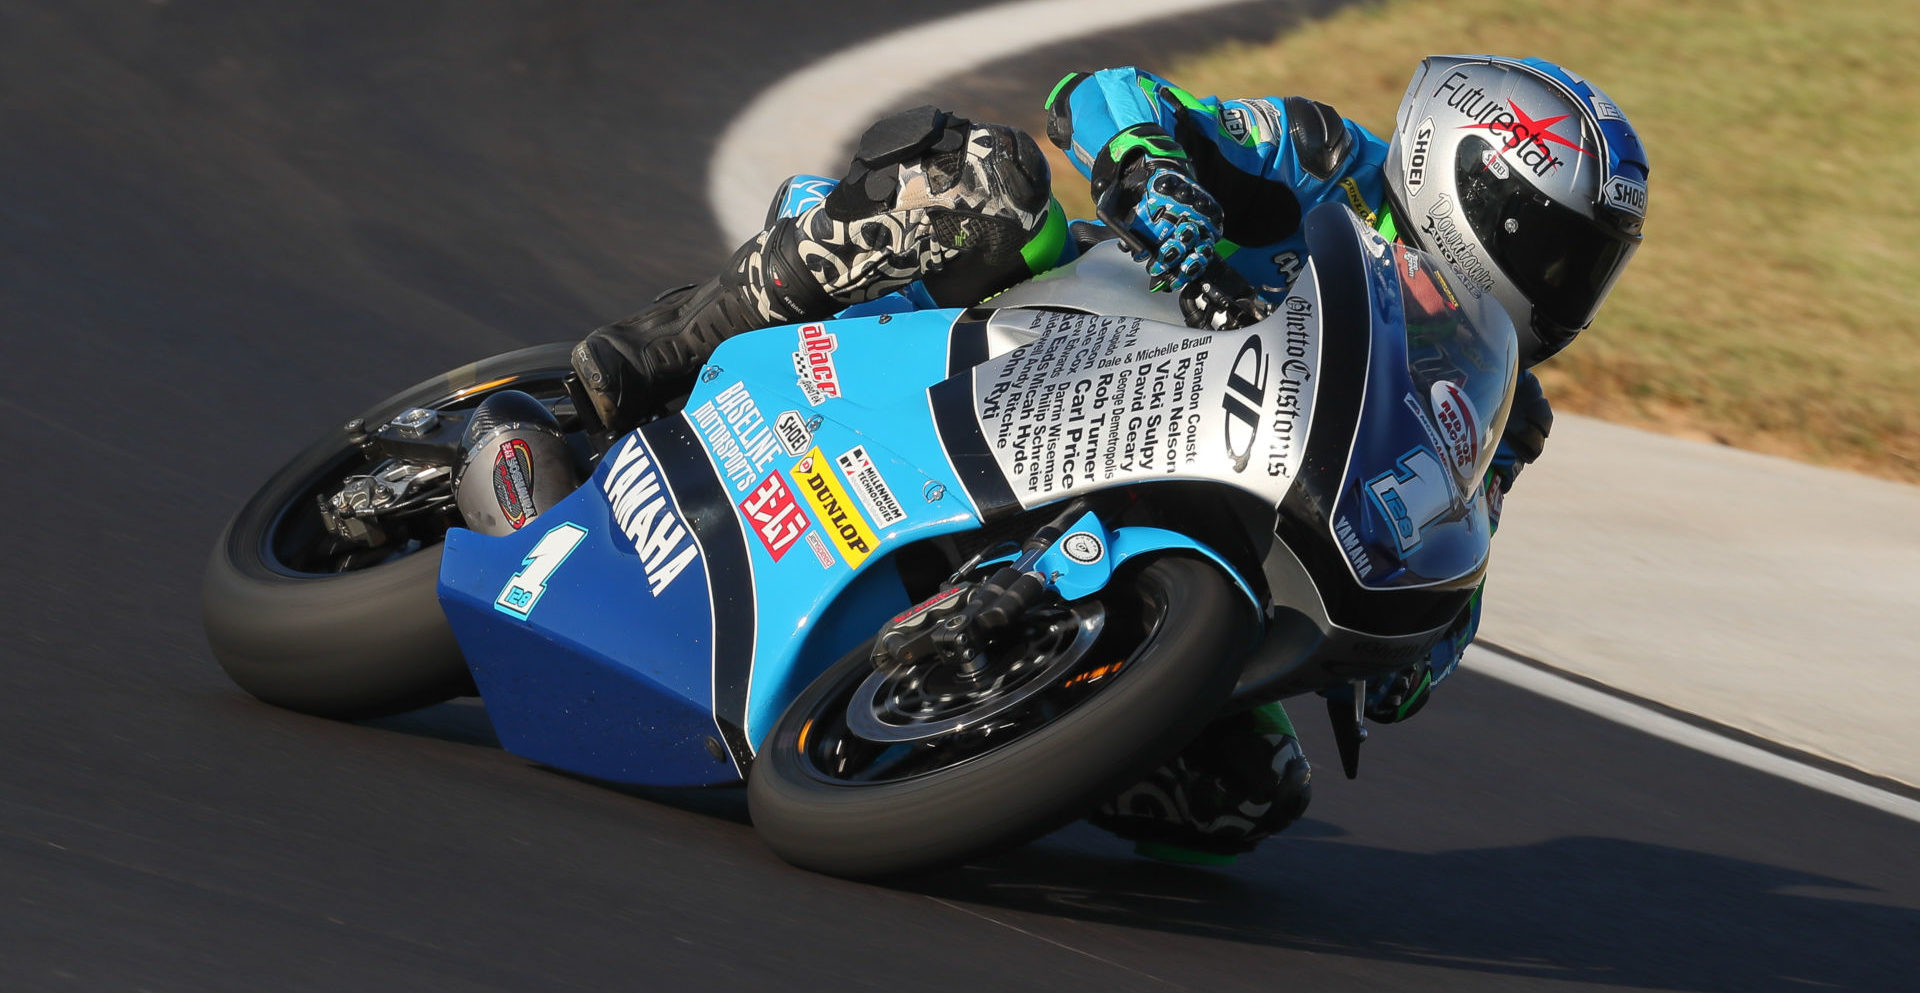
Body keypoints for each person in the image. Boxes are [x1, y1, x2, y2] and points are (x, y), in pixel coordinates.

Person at [571, 54, 1650, 862]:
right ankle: (679, 339)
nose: (1563, 289)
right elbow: (1104, 93)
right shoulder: (1325, 162)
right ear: (1461, 173)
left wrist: (1422, 648)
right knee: (992, 181)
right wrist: (1156, 180)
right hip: (1037, 336)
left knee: (1247, 796)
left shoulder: (1500, 405)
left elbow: (1457, 550)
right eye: (1549, 245)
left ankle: (983, 729)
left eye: (1587, 268)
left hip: (1197, 500)